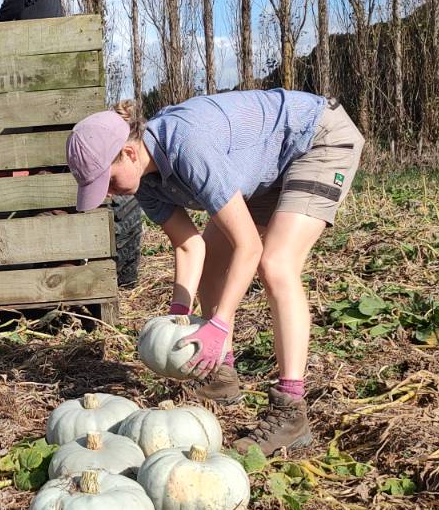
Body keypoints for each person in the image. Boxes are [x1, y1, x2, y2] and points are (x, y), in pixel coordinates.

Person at [65, 90, 365, 455]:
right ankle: (221, 375)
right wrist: (179, 314)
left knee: (276, 264)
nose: (110, 193)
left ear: (129, 153)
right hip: (266, 167)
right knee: (213, 266)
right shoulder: (145, 182)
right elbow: (190, 245)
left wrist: (219, 322)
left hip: (315, 139)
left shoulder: (188, 146)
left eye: (108, 181)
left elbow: (249, 247)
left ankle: (290, 410)